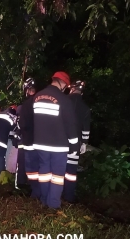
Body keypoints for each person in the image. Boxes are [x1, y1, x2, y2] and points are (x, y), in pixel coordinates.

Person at [33, 71, 79, 209]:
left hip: (40, 143)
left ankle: (44, 201)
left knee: (44, 173)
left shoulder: (37, 97)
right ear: (63, 83)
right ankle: (53, 205)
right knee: (57, 176)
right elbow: (70, 124)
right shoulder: (64, 100)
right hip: (58, 145)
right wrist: (75, 144)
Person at [63, 80, 91, 203]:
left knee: (57, 169)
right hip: (75, 144)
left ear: (72, 89)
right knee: (71, 172)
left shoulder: (63, 102)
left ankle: (54, 195)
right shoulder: (85, 108)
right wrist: (84, 142)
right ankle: (68, 197)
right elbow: (86, 128)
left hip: (60, 141)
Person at [16, 78, 39, 195]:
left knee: (27, 166)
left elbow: (22, 124)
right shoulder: (42, 101)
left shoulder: (26, 105)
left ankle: (29, 190)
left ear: (27, 90)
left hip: (28, 140)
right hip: (43, 141)